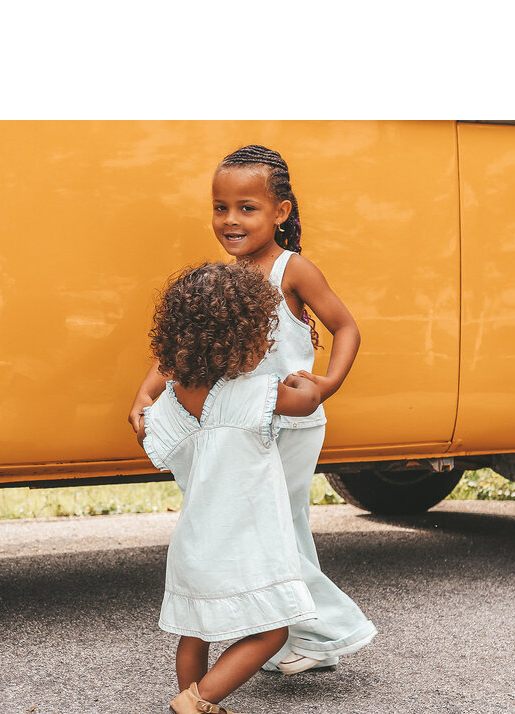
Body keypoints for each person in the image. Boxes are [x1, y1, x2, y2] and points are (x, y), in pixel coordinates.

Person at [130, 143, 377, 676]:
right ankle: (295, 633)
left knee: (273, 530)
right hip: (240, 427)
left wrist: (327, 382)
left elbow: (346, 327)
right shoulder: (226, 278)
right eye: (221, 207)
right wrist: (145, 392)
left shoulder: (292, 270)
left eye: (247, 208)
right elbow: (182, 346)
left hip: (289, 426)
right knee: (269, 530)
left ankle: (326, 628)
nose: (231, 220)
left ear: (280, 212)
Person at [135, 262, 322, 714]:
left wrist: (144, 403)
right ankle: (197, 704)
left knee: (193, 630)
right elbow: (307, 401)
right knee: (272, 630)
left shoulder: (169, 406)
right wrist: (303, 377)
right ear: (240, 338)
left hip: (196, 543)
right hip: (244, 542)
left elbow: (149, 432)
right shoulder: (253, 393)